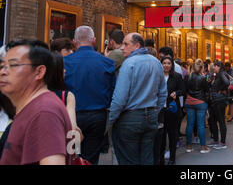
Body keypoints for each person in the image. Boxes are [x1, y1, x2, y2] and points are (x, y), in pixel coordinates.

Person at [0, 40, 73, 165]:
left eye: (14, 65)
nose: (3, 72)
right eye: (2, 66)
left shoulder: (45, 112)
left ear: (39, 72)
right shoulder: (33, 107)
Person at [108, 33, 167, 165]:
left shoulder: (129, 63)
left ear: (137, 45)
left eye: (126, 44)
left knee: (129, 159)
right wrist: (154, 111)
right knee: (147, 157)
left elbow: (120, 98)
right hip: (150, 116)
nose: (122, 48)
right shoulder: (156, 62)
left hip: (130, 118)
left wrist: (110, 120)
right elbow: (163, 92)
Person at [64, 26, 116, 165]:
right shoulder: (107, 62)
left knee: (72, 156)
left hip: (72, 118)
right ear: (94, 40)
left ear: (75, 42)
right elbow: (113, 91)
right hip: (98, 116)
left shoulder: (65, 63)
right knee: (91, 157)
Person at [49, 52, 83, 142]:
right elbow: (73, 130)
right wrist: (79, 133)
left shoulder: (34, 95)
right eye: (62, 67)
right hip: (60, 147)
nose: (65, 70)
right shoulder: (67, 96)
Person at [158, 56, 185, 165]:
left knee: (172, 135)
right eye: (164, 63)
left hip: (172, 110)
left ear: (172, 65)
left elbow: (183, 90)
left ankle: (172, 158)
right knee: (161, 135)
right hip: (161, 110)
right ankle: (160, 158)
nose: (166, 65)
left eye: (168, 63)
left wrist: (176, 93)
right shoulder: (158, 76)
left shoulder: (177, 77)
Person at [185, 59, 210, 154]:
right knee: (200, 125)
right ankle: (203, 147)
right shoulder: (203, 78)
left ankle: (189, 146)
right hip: (200, 102)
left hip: (189, 102)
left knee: (190, 124)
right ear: (202, 68)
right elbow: (207, 90)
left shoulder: (188, 77)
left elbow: (185, 89)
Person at [209, 61, 230, 149]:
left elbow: (227, 83)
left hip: (220, 101)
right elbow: (208, 82)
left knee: (221, 121)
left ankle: (223, 142)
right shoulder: (215, 75)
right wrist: (209, 76)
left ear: (218, 66)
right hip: (214, 101)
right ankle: (215, 140)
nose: (213, 68)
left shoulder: (222, 73)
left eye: (214, 66)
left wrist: (221, 91)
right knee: (212, 120)